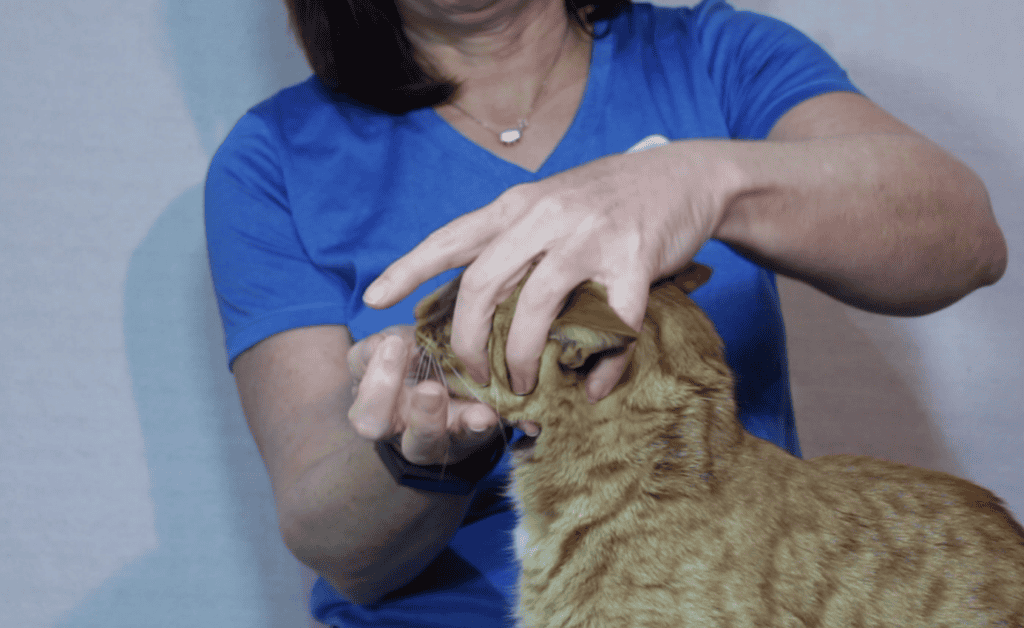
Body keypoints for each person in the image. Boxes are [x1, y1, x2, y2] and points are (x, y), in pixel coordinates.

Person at [204, 0, 1007, 625]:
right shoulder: (275, 155)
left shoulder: (714, 56)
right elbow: (335, 542)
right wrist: (424, 456)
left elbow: (965, 239)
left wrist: (700, 182)